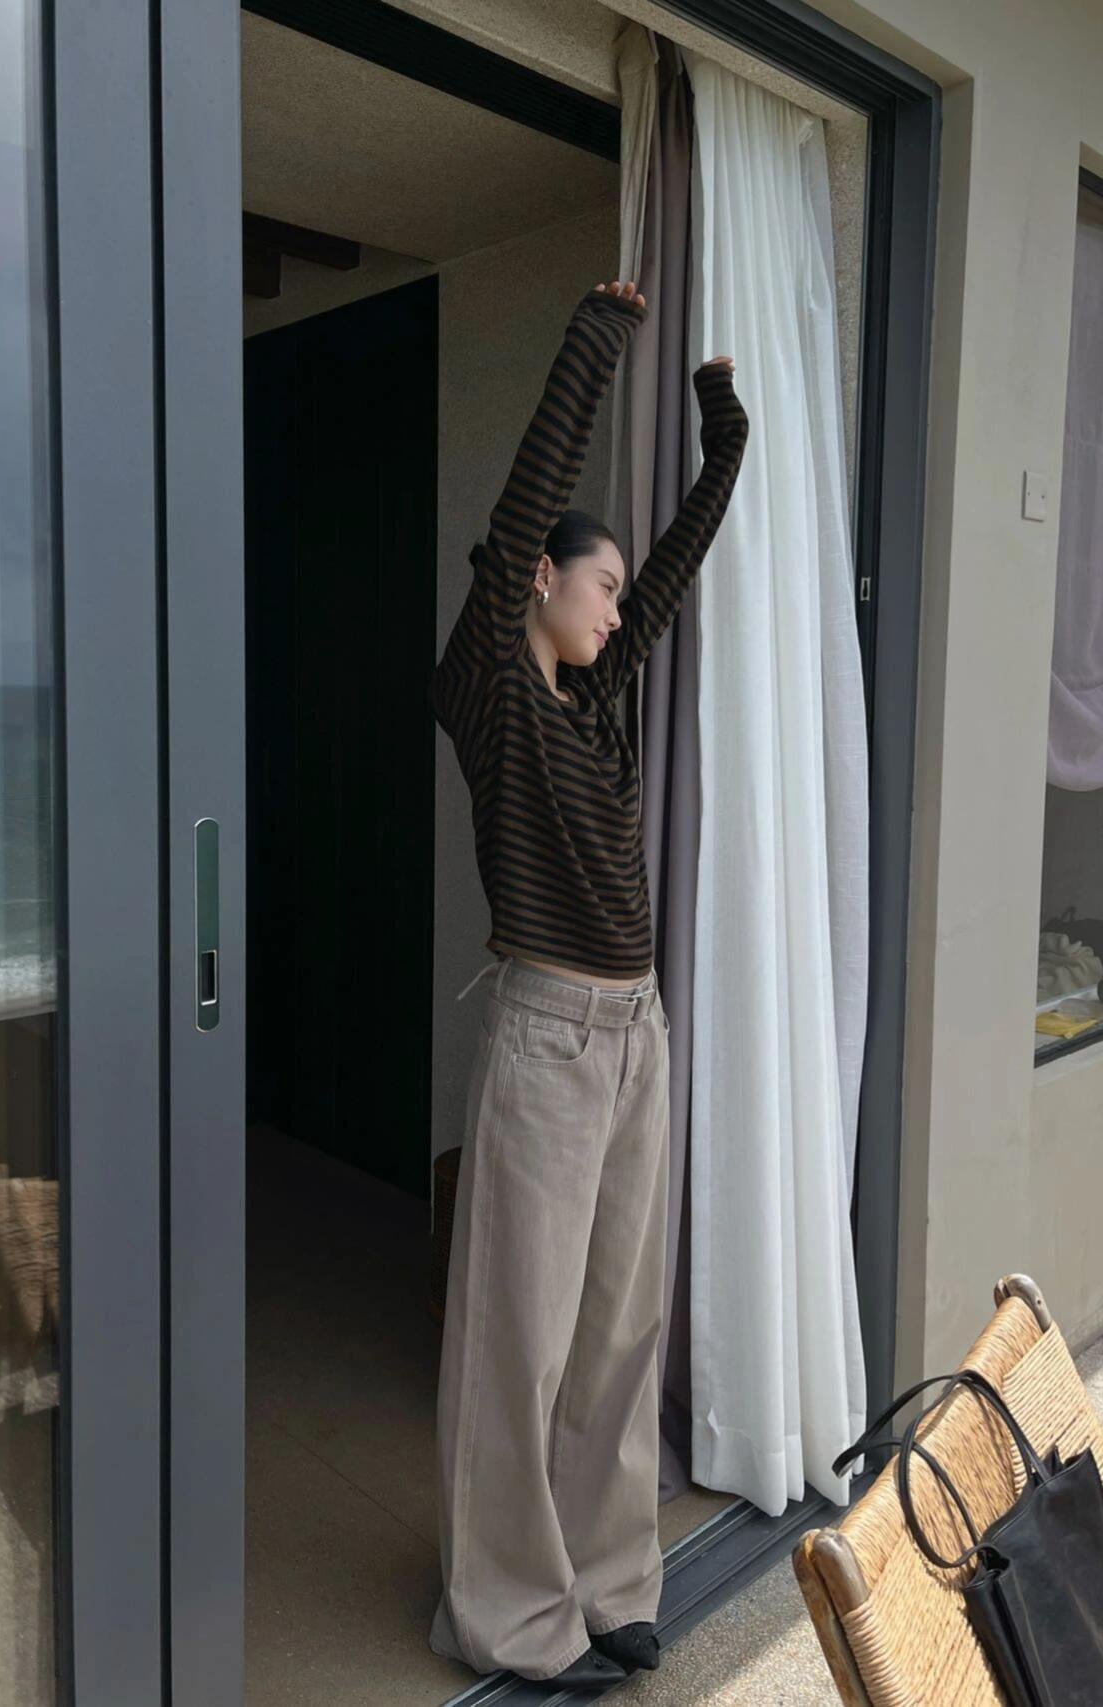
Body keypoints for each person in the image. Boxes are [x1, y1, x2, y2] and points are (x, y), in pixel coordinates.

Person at [428, 279, 749, 1689]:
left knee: (621, 1333)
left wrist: (724, 441)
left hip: (636, 1037)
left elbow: (671, 576)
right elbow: (518, 518)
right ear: (537, 586)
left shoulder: (595, 705)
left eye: (621, 592)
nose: (620, 611)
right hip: (549, 1040)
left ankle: (609, 1580)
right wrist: (594, 344)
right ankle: (506, 1609)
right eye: (598, 586)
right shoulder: (491, 689)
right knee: (522, 1342)